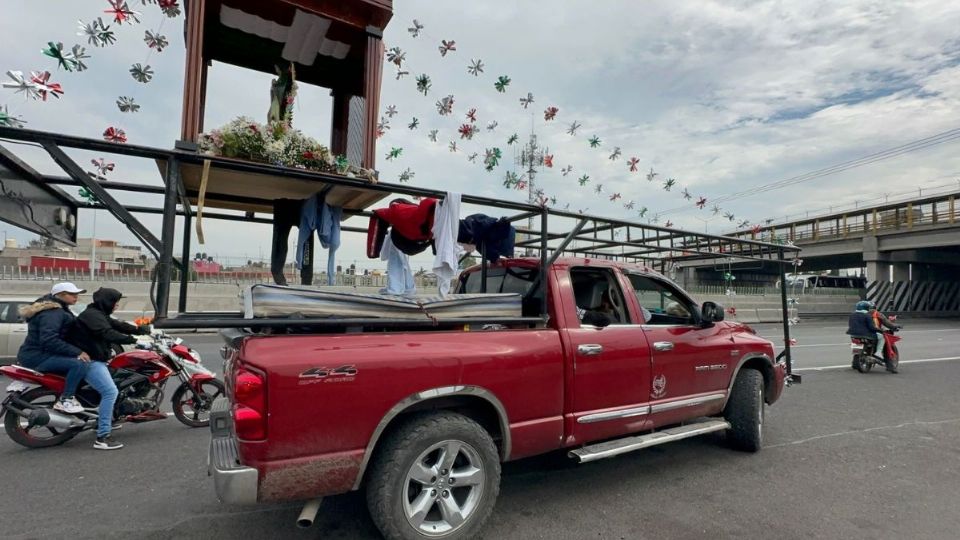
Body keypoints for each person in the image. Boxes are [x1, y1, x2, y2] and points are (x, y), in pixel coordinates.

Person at [70, 288, 149, 450]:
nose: (117, 305)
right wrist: (134, 340)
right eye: (115, 302)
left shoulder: (98, 313)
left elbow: (116, 324)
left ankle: (105, 419)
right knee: (110, 392)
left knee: (115, 383)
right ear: (107, 302)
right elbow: (108, 333)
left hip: (96, 358)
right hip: (91, 361)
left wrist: (139, 329)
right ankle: (103, 437)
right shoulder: (92, 316)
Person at [16, 283, 90, 414]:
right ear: (60, 295)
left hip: (34, 354)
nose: (76, 297)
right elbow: (49, 340)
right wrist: (77, 352)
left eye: (77, 294)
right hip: (38, 356)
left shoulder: (57, 308)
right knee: (79, 365)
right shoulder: (53, 313)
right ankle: (66, 399)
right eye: (72, 294)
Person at [846, 300, 883, 369]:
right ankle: (878, 352)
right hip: (866, 335)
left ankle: (855, 363)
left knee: (856, 348)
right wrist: (880, 330)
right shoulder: (867, 315)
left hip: (853, 335)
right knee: (881, 337)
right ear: (866, 308)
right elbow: (872, 327)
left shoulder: (852, 315)